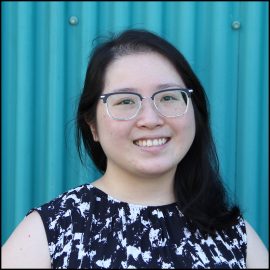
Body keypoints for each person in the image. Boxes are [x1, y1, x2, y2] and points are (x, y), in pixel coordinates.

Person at [1, 29, 268, 269]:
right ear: (93, 126)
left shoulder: (234, 235)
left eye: (168, 97)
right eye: (125, 101)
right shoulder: (50, 232)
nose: (150, 120)